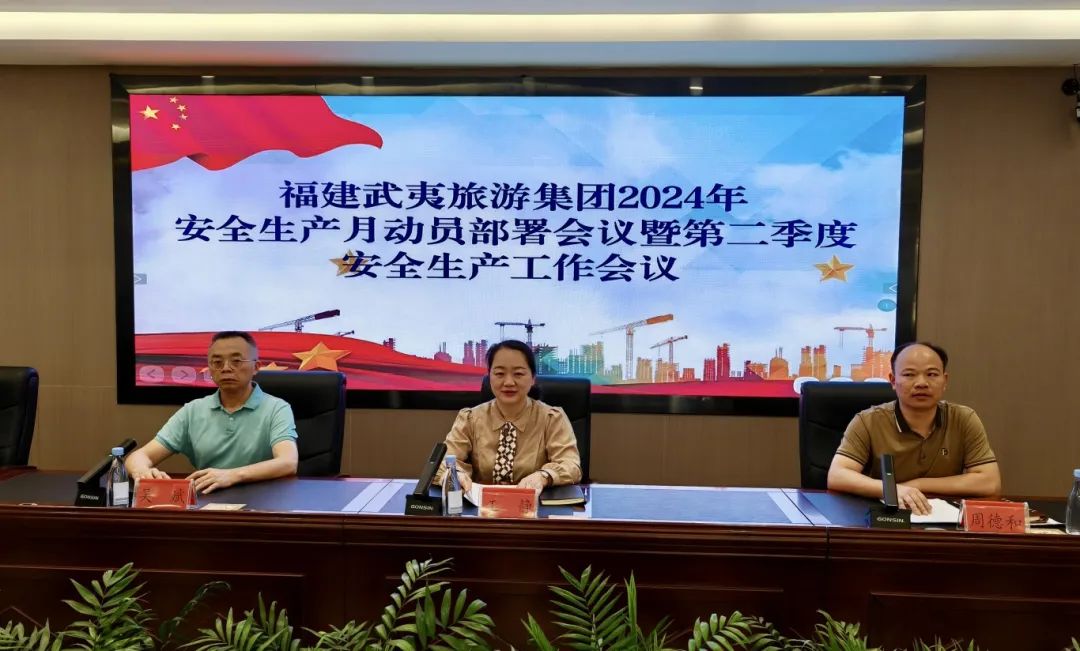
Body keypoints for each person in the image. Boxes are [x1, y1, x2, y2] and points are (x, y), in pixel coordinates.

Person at [827, 341, 1001, 515]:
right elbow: (837, 475)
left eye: (931, 374)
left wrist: (917, 485)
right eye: (909, 374)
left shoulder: (963, 419)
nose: (921, 383)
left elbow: (990, 483)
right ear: (893, 381)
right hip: (886, 518)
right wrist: (893, 490)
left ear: (945, 380)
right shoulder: (868, 421)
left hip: (943, 519)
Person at [125, 331, 299, 494]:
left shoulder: (276, 408)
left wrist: (231, 475)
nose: (226, 368)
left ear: (256, 367)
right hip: (209, 498)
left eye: (236, 361)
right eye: (217, 362)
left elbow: (288, 462)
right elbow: (139, 456)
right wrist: (142, 471)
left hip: (262, 498)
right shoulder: (193, 411)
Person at [437, 339, 582, 492]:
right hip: (482, 505)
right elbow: (443, 463)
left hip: (534, 504)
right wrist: (455, 475)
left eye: (518, 374)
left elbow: (571, 466)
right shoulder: (470, 418)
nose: (508, 382)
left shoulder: (552, 418)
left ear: (532, 378)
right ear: (489, 376)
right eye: (499, 373)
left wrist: (543, 476)